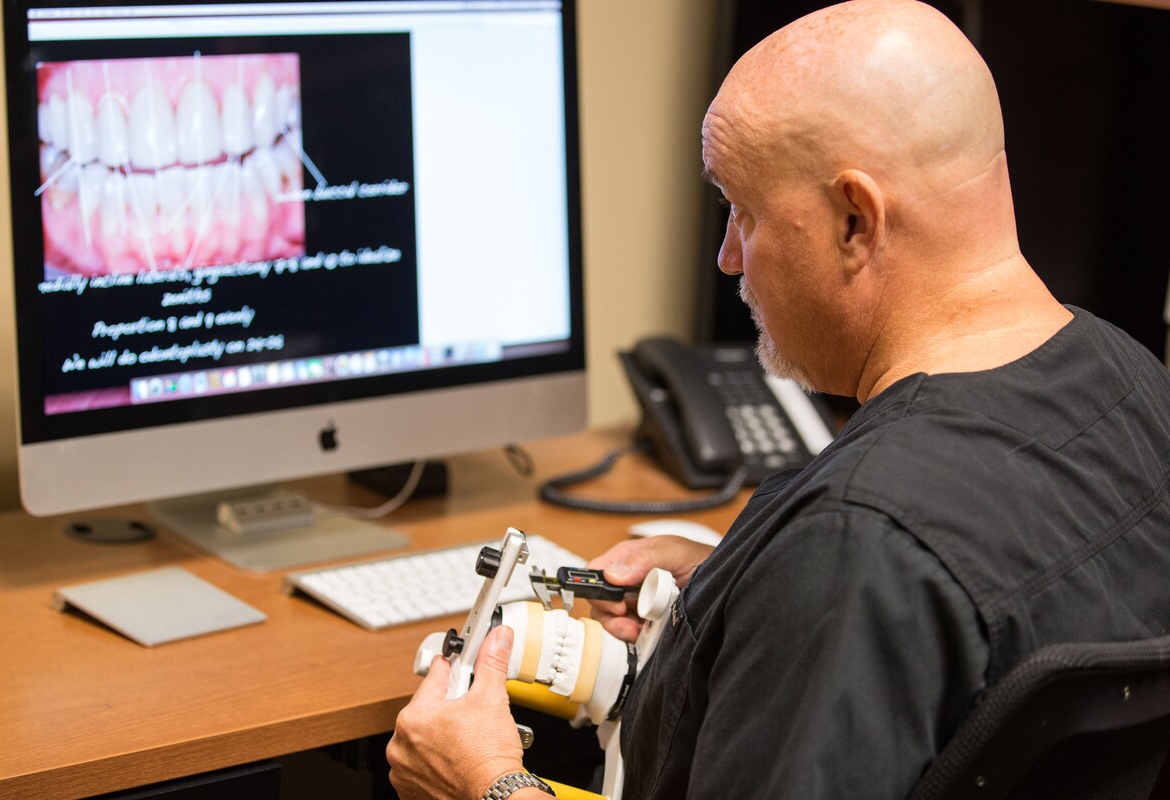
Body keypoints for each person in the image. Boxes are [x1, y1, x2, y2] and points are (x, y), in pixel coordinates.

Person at [386, 0, 1170, 797]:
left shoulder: (855, 547)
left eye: (744, 211)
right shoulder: (1133, 383)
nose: (728, 257)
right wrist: (758, 595)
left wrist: (487, 784)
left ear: (856, 221)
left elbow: (883, 567)